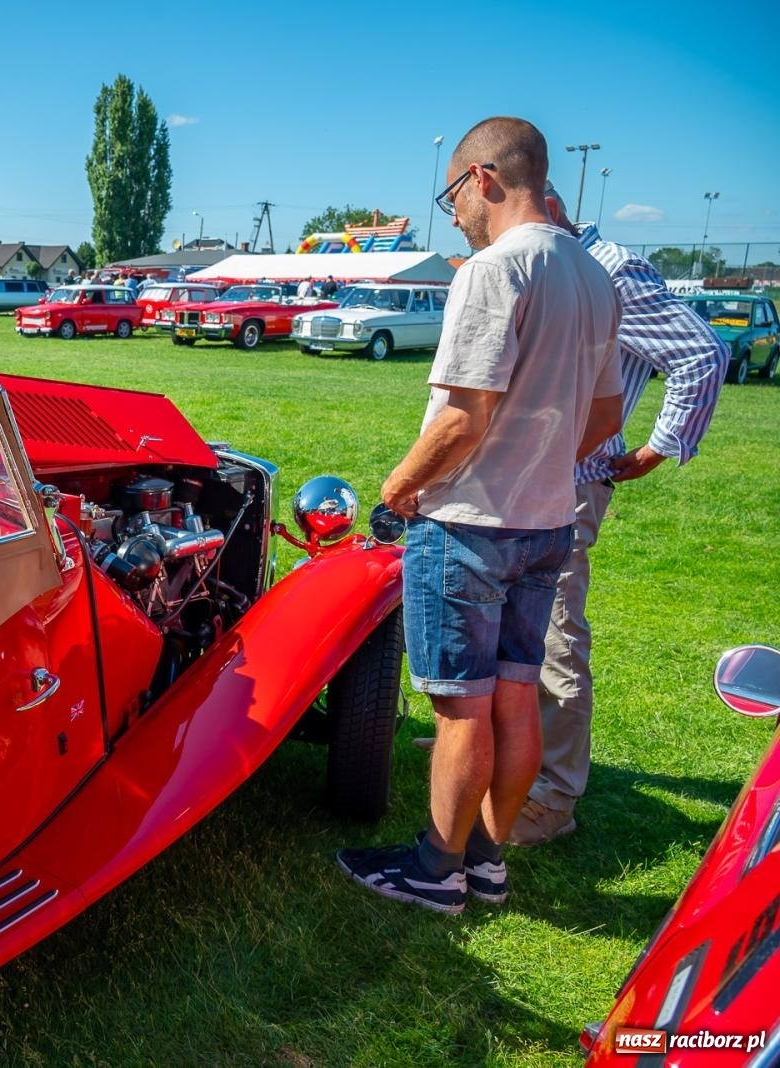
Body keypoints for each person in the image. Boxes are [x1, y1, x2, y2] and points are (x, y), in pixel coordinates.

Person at [336, 117, 623, 914]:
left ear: (483, 179)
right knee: (516, 694)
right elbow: (603, 416)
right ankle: (488, 860)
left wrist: (399, 489)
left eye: (452, 194)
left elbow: (463, 418)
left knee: (460, 707)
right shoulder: (594, 275)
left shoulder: (495, 270)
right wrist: (540, 455)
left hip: (468, 521)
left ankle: (435, 867)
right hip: (545, 521)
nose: (452, 213)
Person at [501, 183, 727, 845]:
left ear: (535, 199)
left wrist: (664, 444)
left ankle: (551, 797)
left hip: (567, 480)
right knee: (510, 622)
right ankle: (501, 751)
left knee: (553, 636)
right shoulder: (550, 263)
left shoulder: (612, 267)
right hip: (522, 479)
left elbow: (699, 352)